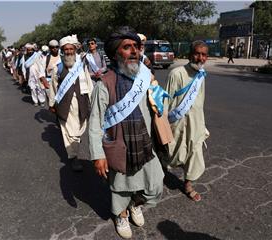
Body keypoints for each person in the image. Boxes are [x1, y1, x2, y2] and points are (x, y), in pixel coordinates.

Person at [89, 26, 164, 239]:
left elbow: (154, 105)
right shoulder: (104, 84)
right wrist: (98, 155)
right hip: (119, 145)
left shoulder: (144, 76)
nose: (134, 51)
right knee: (120, 187)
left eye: (135, 47)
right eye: (127, 47)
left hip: (144, 143)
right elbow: (95, 123)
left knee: (155, 184)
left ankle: (135, 204)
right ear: (115, 53)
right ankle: (121, 214)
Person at [164, 40, 210, 202]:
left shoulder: (201, 75)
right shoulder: (176, 73)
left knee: (195, 152)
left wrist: (202, 123)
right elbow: (167, 100)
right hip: (177, 123)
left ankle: (188, 185)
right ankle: (159, 172)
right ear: (190, 55)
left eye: (204, 55)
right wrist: (163, 124)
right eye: (197, 53)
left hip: (196, 122)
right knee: (173, 152)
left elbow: (200, 100)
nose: (200, 58)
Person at [53, 34, 93, 171]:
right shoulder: (57, 68)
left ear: (74, 50)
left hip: (81, 102)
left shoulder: (81, 66)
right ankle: (73, 157)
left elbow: (89, 82)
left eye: (71, 49)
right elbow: (53, 87)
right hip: (65, 105)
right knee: (70, 132)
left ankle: (74, 147)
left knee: (80, 128)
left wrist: (93, 100)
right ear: (62, 51)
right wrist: (52, 104)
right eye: (66, 49)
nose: (69, 52)